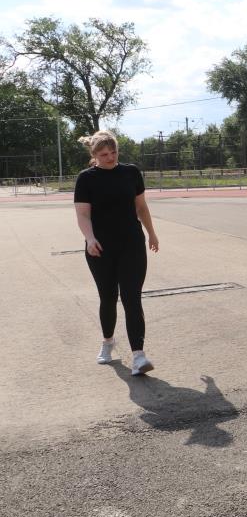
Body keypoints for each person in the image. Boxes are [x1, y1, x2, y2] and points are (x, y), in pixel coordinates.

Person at [73, 131, 159, 376]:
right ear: (94, 155)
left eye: (114, 153)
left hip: (132, 243)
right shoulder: (86, 179)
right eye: (104, 154)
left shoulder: (131, 173)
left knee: (132, 297)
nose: (110, 158)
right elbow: (82, 214)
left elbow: (141, 207)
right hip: (100, 248)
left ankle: (139, 356)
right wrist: (89, 238)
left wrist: (152, 233)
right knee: (108, 297)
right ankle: (108, 341)